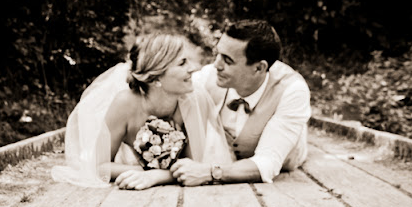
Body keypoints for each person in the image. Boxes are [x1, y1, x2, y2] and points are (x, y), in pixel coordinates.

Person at [51, 33, 233, 190]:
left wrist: (155, 176)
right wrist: (140, 173)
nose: (193, 69)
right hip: (132, 184)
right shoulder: (125, 103)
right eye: (182, 63)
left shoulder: (195, 99)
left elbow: (194, 168)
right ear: (155, 78)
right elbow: (99, 165)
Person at [171, 19, 311, 185]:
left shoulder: (292, 90)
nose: (216, 64)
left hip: (286, 160)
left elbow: (268, 162)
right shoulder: (210, 75)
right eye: (217, 54)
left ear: (259, 68)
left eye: (227, 60)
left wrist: (209, 172)